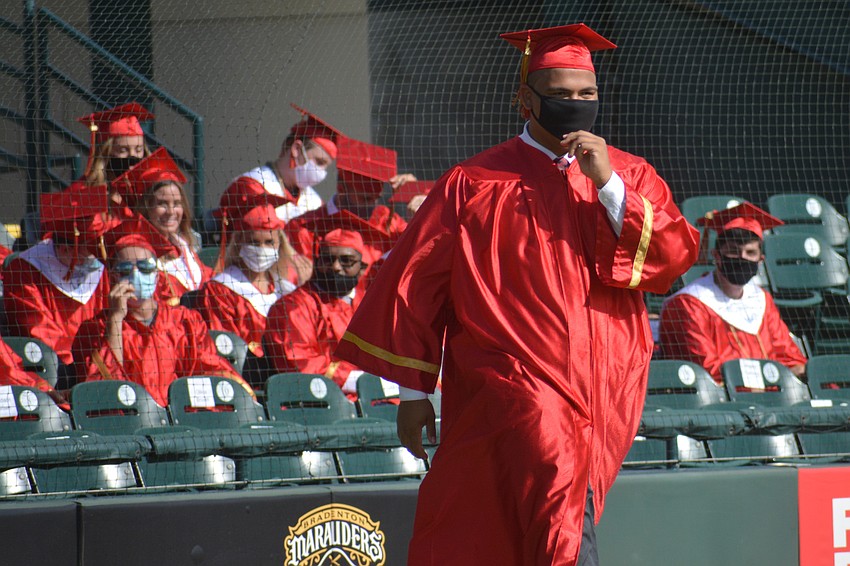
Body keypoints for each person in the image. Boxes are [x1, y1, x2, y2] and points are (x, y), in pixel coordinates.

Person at [334, 23, 699, 565]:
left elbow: (671, 258)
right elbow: (416, 285)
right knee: (559, 509)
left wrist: (608, 188)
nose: (575, 105)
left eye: (587, 94)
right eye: (559, 94)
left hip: (607, 383)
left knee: (536, 520)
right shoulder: (474, 182)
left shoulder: (629, 174)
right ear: (525, 98)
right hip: (513, 382)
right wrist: (412, 395)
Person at [72, 216, 251, 406]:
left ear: (157, 274)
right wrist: (115, 320)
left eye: (145, 267)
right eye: (124, 269)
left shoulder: (185, 321)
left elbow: (209, 372)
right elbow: (103, 393)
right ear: (112, 277)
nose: (136, 275)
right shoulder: (94, 329)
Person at [660, 202, 807, 382]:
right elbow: (707, 369)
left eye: (750, 253)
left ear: (761, 260)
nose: (742, 259)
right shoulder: (689, 304)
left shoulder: (762, 300)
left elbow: (789, 357)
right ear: (716, 256)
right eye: (733, 252)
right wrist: (770, 378)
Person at [197, 176, 296, 386]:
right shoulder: (220, 291)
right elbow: (224, 349)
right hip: (244, 382)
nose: (261, 250)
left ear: (280, 244)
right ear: (239, 241)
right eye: (253, 241)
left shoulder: (285, 290)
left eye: (269, 242)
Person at [4, 183, 112, 367]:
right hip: (47, 368)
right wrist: (81, 368)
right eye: (90, 249)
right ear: (66, 248)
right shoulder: (24, 270)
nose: (96, 256)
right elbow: (40, 330)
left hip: (98, 365)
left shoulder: (102, 271)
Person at [264, 229, 369, 400]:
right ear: (317, 261)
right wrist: (357, 380)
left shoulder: (369, 304)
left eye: (346, 261)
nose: (335, 267)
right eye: (328, 259)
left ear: (362, 268)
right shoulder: (292, 306)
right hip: (319, 401)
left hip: (375, 399)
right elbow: (299, 361)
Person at [285, 138, 412, 267]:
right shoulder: (304, 227)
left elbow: (418, 249)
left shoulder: (387, 221)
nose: (372, 206)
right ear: (341, 189)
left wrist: (417, 208)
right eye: (366, 199)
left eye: (376, 198)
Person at [118, 147, 212, 305]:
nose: (171, 212)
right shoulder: (139, 257)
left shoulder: (185, 247)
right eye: (162, 204)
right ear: (146, 208)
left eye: (176, 204)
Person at [239, 104, 341, 222]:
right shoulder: (254, 185)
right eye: (319, 162)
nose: (322, 172)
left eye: (325, 167)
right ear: (296, 149)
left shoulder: (314, 201)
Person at [78, 102, 154, 212]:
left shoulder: (151, 192)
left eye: (138, 150)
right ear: (106, 153)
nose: (132, 156)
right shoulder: (86, 194)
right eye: (123, 150)